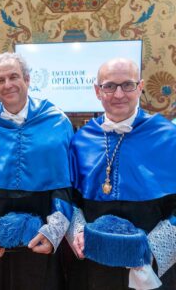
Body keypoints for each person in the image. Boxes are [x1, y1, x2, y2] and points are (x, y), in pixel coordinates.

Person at [67, 58, 176, 289]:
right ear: (97, 91)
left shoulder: (169, 137)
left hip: (149, 262)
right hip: (94, 261)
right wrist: (77, 231)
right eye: (109, 86)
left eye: (127, 85)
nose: (118, 95)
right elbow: (71, 198)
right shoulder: (81, 139)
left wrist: (149, 251)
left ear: (140, 86)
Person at [0, 52, 74, 290]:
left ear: (27, 79)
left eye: (13, 77)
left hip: (42, 238)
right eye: (0, 80)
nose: (8, 85)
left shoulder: (57, 121)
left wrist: (52, 233)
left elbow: (64, 186)